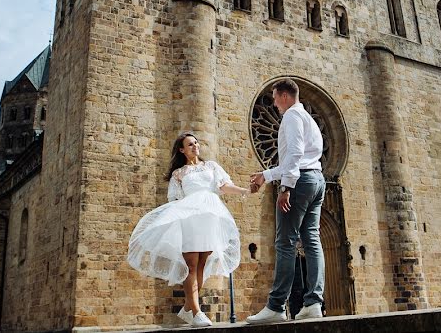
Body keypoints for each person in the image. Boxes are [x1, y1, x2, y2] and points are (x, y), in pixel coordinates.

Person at [128, 132, 251, 327]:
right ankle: (196, 311)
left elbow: (224, 186)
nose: (195, 146)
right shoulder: (179, 174)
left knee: (202, 263)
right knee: (191, 264)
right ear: (182, 150)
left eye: (196, 143)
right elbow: (175, 200)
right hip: (190, 217)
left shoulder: (211, 166)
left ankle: (188, 306)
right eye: (190, 144)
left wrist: (243, 190)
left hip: (210, 216)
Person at [247, 79, 326, 323]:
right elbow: (302, 157)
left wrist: (285, 187)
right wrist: (266, 175)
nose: (273, 103)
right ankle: (313, 302)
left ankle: (276, 306)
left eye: (274, 98)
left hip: (300, 182)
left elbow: (294, 153)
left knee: (285, 242)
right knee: (312, 240)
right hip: (317, 180)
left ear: (283, 95)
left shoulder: (291, 117)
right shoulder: (308, 118)